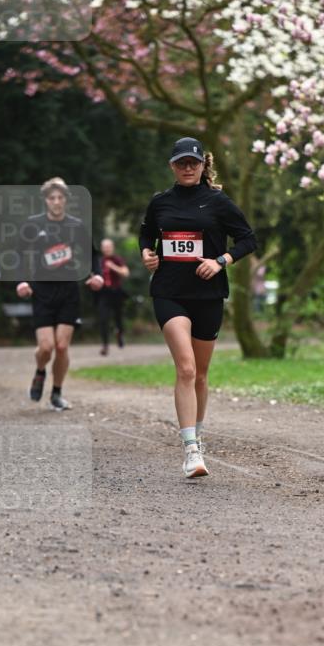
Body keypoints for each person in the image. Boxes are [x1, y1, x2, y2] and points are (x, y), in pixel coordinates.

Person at [139, 137, 257, 478]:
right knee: (187, 369)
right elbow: (146, 234)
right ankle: (190, 450)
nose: (188, 168)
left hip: (207, 295)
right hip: (169, 292)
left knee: (201, 375)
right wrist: (147, 253)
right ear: (172, 166)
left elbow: (248, 239)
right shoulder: (161, 202)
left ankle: (198, 435)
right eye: (181, 163)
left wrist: (221, 260)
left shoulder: (218, 202)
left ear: (203, 165)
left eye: (193, 162)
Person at [16, 177, 104, 410]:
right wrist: (22, 280)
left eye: (60, 197)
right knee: (46, 347)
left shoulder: (76, 225)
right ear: (46, 200)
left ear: (66, 200)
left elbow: (92, 255)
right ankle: (40, 371)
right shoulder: (33, 225)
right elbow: (21, 255)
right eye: (51, 198)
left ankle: (56, 393)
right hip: (42, 290)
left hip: (68, 291)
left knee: (62, 346)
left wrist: (97, 275)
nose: (56, 201)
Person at [98, 237, 129, 356]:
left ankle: (119, 334)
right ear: (102, 248)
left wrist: (113, 267)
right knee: (103, 319)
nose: (106, 249)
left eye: (108, 246)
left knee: (118, 318)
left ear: (112, 247)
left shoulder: (117, 259)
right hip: (104, 294)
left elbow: (126, 273)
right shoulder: (99, 261)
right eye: (104, 247)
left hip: (116, 292)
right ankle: (105, 345)